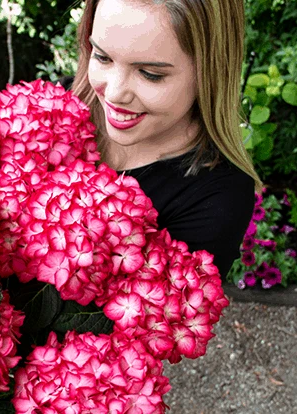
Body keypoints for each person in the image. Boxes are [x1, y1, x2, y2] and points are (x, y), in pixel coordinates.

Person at [60, 0, 261, 277]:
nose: (116, 93)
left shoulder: (216, 198)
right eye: (103, 57)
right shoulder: (55, 110)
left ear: (210, 72)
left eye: (150, 74)